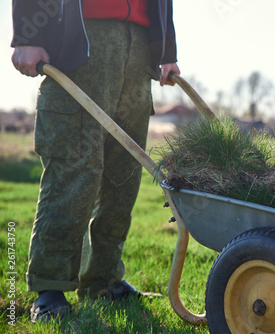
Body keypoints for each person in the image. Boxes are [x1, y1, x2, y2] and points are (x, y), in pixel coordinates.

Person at [11, 0, 180, 323]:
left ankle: (103, 280)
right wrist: (26, 34)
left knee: (124, 176)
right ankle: (51, 286)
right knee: (74, 172)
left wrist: (166, 51)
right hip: (83, 39)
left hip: (140, 48)